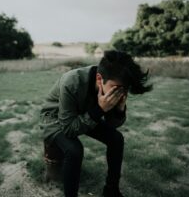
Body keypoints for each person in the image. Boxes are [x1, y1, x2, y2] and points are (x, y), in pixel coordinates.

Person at [39, 50, 153, 197]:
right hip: (55, 119)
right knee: (74, 150)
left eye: (124, 90)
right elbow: (69, 129)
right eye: (117, 89)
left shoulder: (113, 83)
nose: (120, 93)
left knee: (116, 139)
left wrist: (118, 109)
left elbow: (112, 125)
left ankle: (111, 190)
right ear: (99, 79)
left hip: (84, 114)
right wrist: (100, 109)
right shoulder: (72, 81)